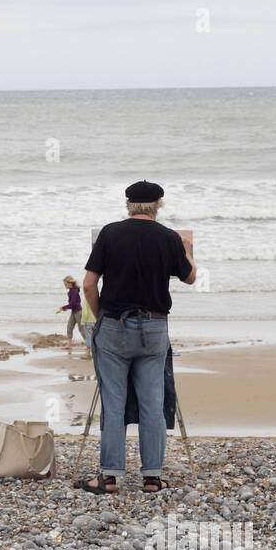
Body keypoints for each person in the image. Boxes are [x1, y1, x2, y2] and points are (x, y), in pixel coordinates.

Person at [78, 180, 195, 495]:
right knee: (152, 402)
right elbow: (190, 277)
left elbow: (88, 285)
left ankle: (109, 477)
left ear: (128, 204)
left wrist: (101, 314)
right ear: (159, 204)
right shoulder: (169, 238)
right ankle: (153, 477)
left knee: (114, 403)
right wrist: (185, 250)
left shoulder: (110, 233)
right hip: (154, 327)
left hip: (114, 325)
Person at [57, 276, 86, 354]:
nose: (65, 285)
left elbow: (73, 303)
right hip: (74, 312)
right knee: (69, 327)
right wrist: (67, 308)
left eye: (65, 284)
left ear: (69, 283)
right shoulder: (71, 291)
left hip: (78, 312)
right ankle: (69, 345)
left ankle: (88, 344)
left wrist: (64, 307)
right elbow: (73, 304)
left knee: (81, 329)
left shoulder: (74, 291)